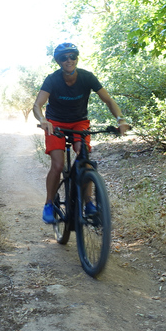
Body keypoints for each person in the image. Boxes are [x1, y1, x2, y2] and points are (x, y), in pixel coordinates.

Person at [33, 42, 131, 223]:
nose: (69, 60)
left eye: (72, 56)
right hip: (55, 123)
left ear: (77, 58)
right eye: (64, 57)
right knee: (58, 165)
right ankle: (48, 204)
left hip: (79, 122)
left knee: (84, 158)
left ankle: (88, 203)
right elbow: (37, 105)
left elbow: (108, 100)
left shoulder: (87, 77)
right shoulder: (52, 79)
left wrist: (120, 120)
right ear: (58, 61)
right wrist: (43, 120)